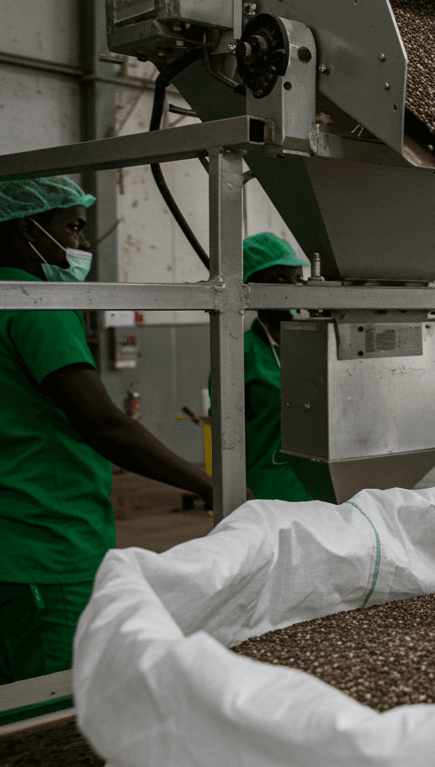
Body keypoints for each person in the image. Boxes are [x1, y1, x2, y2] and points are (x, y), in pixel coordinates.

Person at [0, 177, 219, 682]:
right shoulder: (35, 306)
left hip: (14, 539)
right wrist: (209, 484)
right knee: (55, 705)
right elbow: (102, 424)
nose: (81, 245)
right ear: (27, 228)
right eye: (73, 227)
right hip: (48, 544)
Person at [239, 233, 313, 501]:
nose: (290, 288)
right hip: (268, 489)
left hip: (324, 487)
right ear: (250, 287)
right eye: (277, 280)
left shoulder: (317, 342)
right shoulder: (239, 353)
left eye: (296, 278)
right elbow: (226, 432)